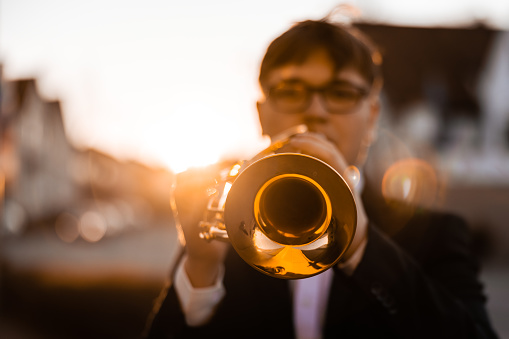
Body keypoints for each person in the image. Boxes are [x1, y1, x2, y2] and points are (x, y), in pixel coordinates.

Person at [144, 17, 498, 339]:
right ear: (262, 116)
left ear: (372, 116)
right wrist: (201, 268)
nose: (315, 110)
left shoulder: (437, 234)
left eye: (341, 93)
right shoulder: (225, 232)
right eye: (290, 90)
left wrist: (362, 246)